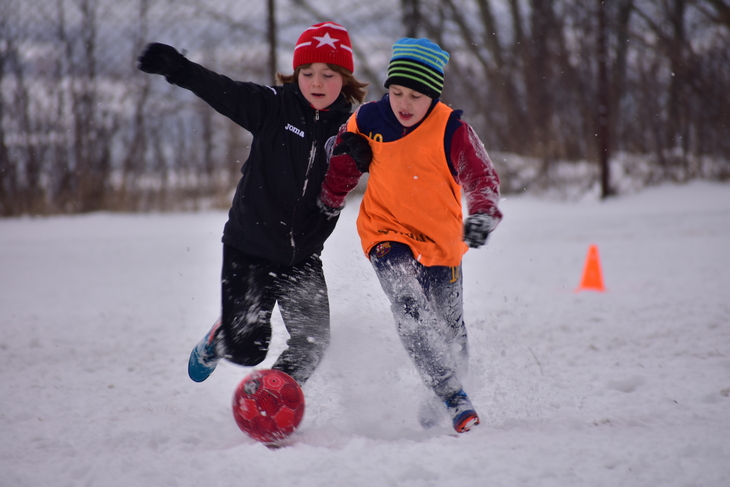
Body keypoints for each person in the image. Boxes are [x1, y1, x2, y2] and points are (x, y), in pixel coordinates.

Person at [137, 22, 368, 385]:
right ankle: (222, 335)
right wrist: (179, 68)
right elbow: (223, 90)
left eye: (328, 74)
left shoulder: (354, 126)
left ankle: (273, 395)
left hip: (302, 256)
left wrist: (365, 155)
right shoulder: (273, 107)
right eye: (307, 73)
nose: (317, 82)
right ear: (295, 75)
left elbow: (399, 151)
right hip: (250, 247)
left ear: (345, 78)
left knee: (312, 344)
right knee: (247, 349)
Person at [318, 38, 502, 433]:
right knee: (407, 304)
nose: (403, 103)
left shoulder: (452, 128)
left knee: (450, 328)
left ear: (433, 96)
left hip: (440, 240)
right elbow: (339, 157)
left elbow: (481, 176)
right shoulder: (369, 119)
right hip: (386, 230)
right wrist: (337, 175)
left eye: (415, 96)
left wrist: (484, 213)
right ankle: (452, 394)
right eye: (396, 92)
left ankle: (451, 385)